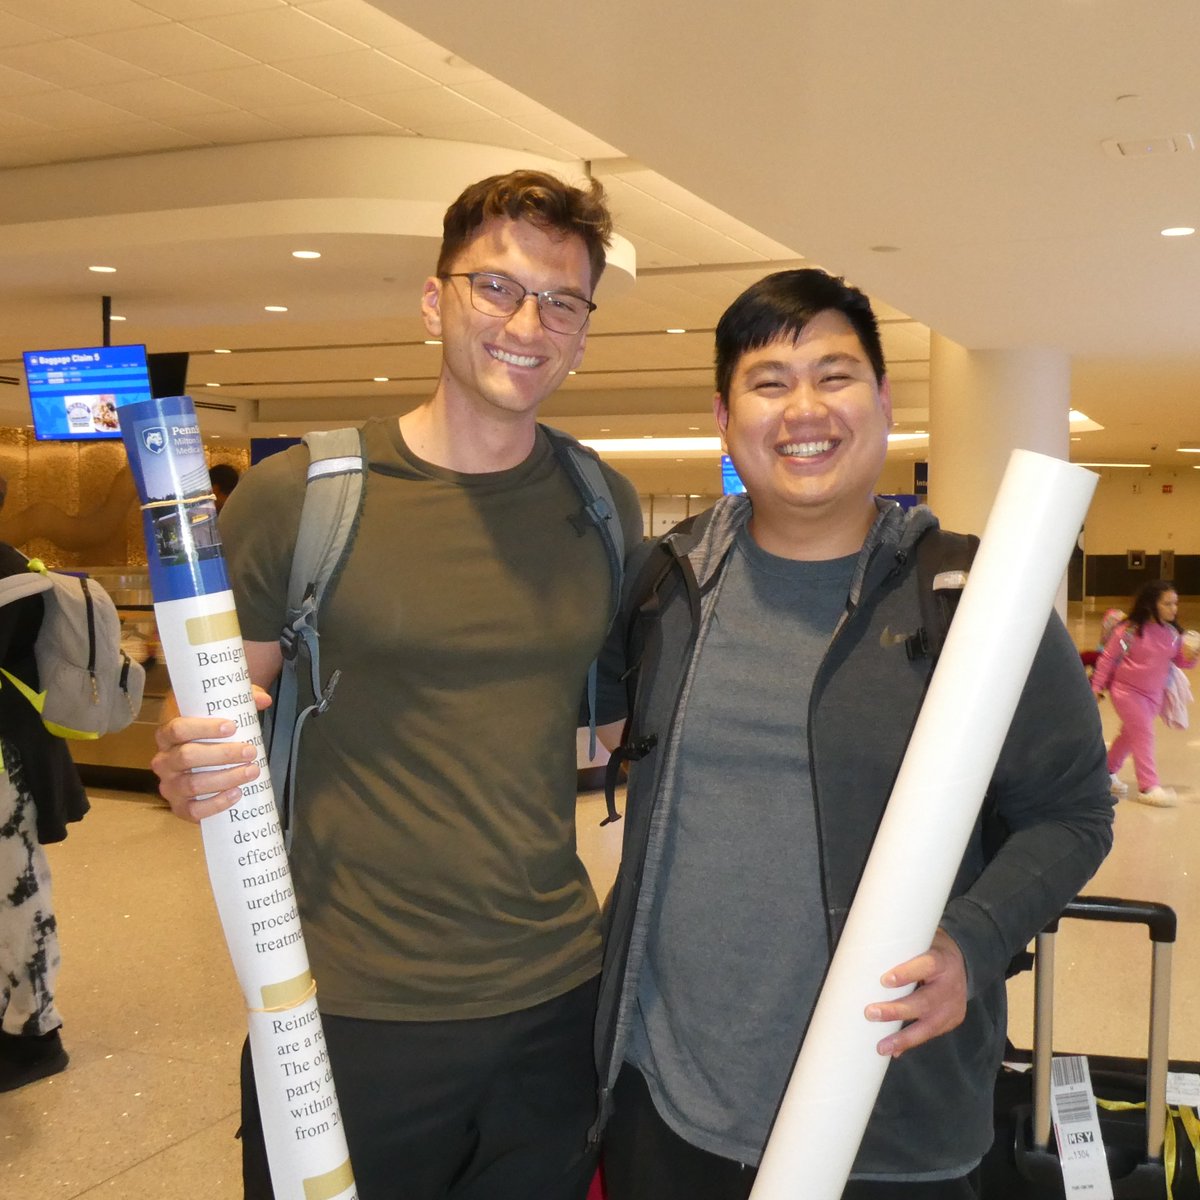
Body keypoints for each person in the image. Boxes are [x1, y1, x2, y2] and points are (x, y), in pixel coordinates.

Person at [149, 171, 640, 1200]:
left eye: (561, 301)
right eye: (496, 288)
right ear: (434, 301)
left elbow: (602, 730)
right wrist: (183, 763)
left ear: (584, 330)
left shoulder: (602, 505)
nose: (527, 323)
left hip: (554, 994)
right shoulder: (302, 500)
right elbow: (213, 724)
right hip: (345, 1007)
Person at [592, 269, 1114, 1200]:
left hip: (889, 1120)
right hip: (665, 1108)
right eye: (768, 381)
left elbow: (1073, 812)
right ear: (723, 415)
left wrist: (972, 939)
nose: (804, 408)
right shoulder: (666, 589)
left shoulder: (971, 602)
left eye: (834, 375)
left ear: (881, 400)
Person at [0, 474, 88, 1091]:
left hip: (7, 772)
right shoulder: (17, 568)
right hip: (16, 763)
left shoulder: (10, 578)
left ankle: (35, 1037)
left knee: (18, 902)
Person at [1091, 579, 1200, 806]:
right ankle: (1148, 786)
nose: (1174, 609)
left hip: (1153, 696)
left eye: (1175, 604)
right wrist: (1097, 687)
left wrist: (1193, 655)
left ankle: (1105, 772)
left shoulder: (1171, 634)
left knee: (1130, 736)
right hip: (1126, 692)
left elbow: (1179, 661)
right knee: (1144, 734)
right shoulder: (1128, 631)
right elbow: (1108, 659)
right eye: (1168, 604)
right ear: (1151, 605)